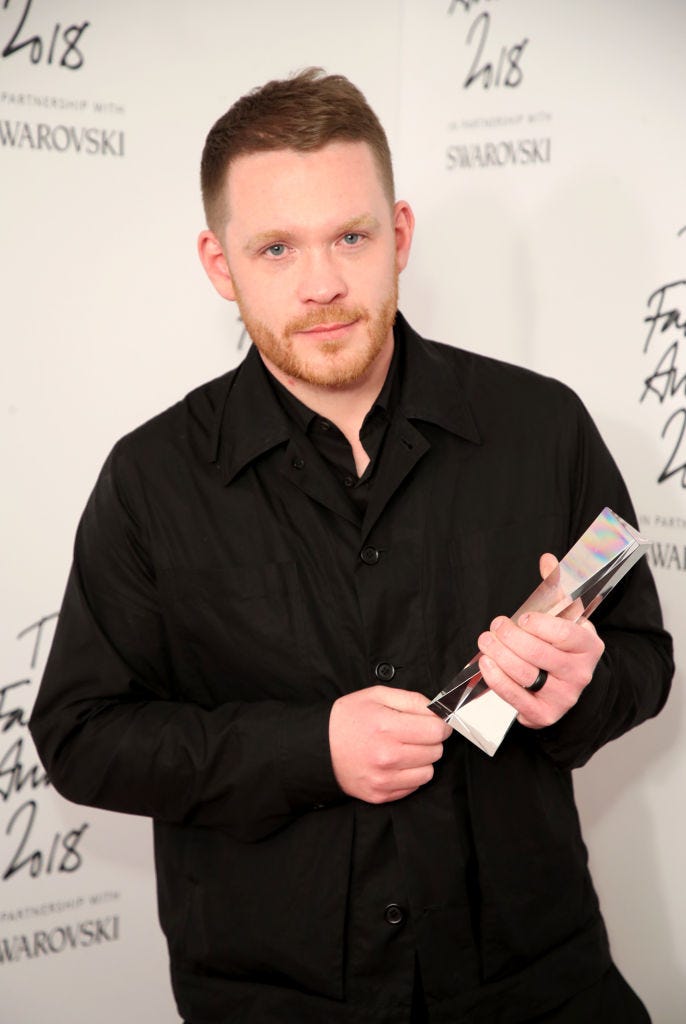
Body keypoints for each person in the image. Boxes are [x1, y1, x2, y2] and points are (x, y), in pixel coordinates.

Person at [30, 68, 673, 1024]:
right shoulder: (149, 479)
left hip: (539, 986)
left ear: (400, 235)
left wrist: (574, 693)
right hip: (276, 1002)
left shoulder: (547, 427)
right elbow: (81, 738)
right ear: (220, 264)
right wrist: (308, 749)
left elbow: (643, 661)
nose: (323, 283)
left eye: (351, 236)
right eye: (277, 248)